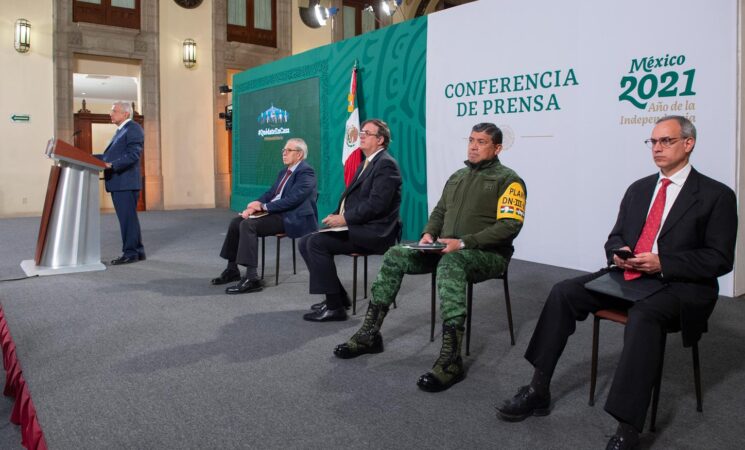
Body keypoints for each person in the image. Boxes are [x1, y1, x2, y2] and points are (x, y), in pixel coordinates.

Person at [496, 116, 737, 450]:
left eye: (665, 141)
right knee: (564, 291)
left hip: (682, 285)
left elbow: (720, 259)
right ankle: (539, 388)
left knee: (644, 316)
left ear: (688, 143)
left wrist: (664, 262)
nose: (656, 148)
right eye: (652, 142)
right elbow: (617, 237)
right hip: (631, 275)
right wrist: (619, 253)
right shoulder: (639, 189)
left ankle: (628, 426)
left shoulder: (716, 195)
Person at [334, 122, 527, 393]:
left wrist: (463, 243)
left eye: (481, 142)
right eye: (471, 139)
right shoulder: (458, 176)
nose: (473, 145)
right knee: (395, 254)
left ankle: (451, 359)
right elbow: (439, 211)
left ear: (497, 148)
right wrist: (429, 233)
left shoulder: (510, 180)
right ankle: (369, 334)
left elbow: (510, 226)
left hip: (487, 255)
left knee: (452, 262)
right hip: (444, 249)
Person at [299, 119, 402, 322]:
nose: (361, 135)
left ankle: (335, 307)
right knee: (305, 241)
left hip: (376, 231)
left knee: (316, 243)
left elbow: (376, 205)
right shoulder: (367, 162)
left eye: (367, 133)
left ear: (380, 140)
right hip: (359, 225)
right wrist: (336, 214)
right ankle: (338, 297)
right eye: (361, 131)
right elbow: (353, 198)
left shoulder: (386, 165)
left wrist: (344, 219)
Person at [212, 138, 318, 294]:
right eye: (283, 150)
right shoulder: (284, 172)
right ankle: (232, 269)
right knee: (237, 222)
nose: (284, 153)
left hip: (291, 216)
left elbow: (292, 200)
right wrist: (255, 204)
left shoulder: (306, 172)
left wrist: (263, 207)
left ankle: (251, 278)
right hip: (275, 212)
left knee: (248, 225)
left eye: (288, 150)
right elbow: (271, 193)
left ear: (300, 154)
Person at [94, 101, 145, 265]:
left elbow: (133, 155)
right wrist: (88, 157)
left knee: (127, 219)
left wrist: (113, 165)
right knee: (129, 219)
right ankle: (137, 251)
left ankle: (130, 253)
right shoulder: (121, 130)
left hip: (125, 182)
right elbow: (109, 157)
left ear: (126, 114)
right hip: (120, 182)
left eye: (114, 111)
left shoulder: (133, 128)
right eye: (111, 111)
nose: (111, 114)